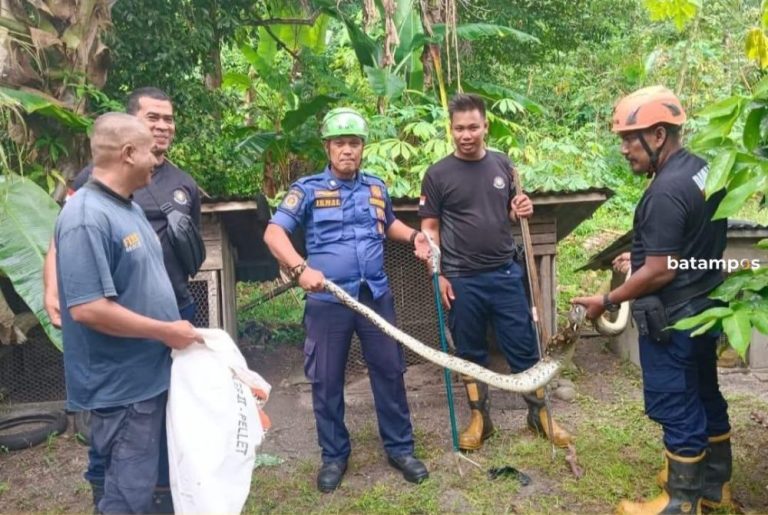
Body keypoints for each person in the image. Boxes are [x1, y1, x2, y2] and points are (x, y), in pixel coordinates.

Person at [573, 85, 734, 514]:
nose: (625, 149)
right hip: (704, 307)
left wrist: (606, 300)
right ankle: (715, 486)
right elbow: (686, 245)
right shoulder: (702, 171)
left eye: (630, 138)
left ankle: (681, 502)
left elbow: (662, 270)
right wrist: (641, 255)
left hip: (673, 318)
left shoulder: (663, 192)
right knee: (705, 393)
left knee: (678, 403)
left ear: (659, 135)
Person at [43, 87, 201, 512]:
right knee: (127, 494)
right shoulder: (85, 218)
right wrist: (166, 330)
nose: (157, 158)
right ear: (129, 153)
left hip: (144, 375)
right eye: (150, 151)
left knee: (135, 481)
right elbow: (88, 308)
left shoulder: (125, 207)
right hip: (121, 386)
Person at [263, 107, 430, 493]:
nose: (347, 150)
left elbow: (388, 222)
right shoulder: (306, 189)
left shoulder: (375, 187)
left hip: (374, 295)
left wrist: (414, 236)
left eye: (354, 143)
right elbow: (274, 235)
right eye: (340, 143)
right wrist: (300, 269)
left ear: (362, 147)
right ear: (328, 147)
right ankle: (334, 456)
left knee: (389, 371)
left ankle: (400, 449)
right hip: (328, 301)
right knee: (326, 379)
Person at [418, 93, 573, 452]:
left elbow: (507, 213)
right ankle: (480, 419)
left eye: (473, 127)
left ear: (486, 126)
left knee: (523, 347)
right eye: (459, 128)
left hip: (505, 274)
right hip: (460, 278)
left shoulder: (503, 166)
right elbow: (430, 229)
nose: (466, 134)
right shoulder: (437, 174)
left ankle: (540, 414)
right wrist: (436, 273)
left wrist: (521, 207)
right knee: (469, 351)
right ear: (451, 130)